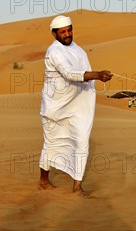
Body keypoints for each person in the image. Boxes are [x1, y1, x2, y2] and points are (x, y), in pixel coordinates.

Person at [38, 15, 112, 196]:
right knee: (52, 144)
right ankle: (43, 181)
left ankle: (77, 187)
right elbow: (69, 73)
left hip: (76, 107)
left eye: (69, 29)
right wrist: (97, 75)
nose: (67, 34)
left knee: (81, 141)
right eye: (63, 32)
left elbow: (79, 69)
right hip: (55, 108)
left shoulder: (78, 50)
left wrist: (96, 76)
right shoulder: (53, 52)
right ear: (54, 34)